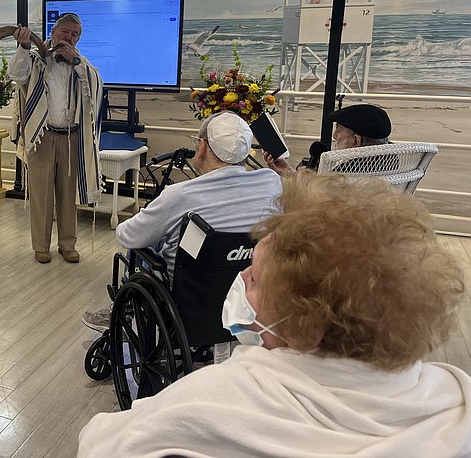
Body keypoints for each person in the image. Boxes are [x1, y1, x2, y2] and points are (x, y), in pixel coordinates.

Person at [78, 173, 471, 457]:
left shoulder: (213, 402)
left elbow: (101, 443)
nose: (242, 276)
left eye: (255, 277)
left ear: (302, 319)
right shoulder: (455, 396)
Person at [83, 111, 281, 330]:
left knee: (140, 246)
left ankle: (123, 311)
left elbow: (128, 235)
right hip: (248, 295)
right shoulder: (272, 183)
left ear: (202, 147)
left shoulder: (180, 195)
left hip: (187, 298)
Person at [10, 13, 103, 264]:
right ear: (53, 32)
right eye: (65, 32)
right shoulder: (36, 59)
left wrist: (76, 63)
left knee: (67, 194)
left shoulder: (80, 63)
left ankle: (67, 244)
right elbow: (17, 76)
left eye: (75, 35)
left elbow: (98, 87)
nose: (69, 37)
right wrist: (24, 47)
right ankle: (41, 246)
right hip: (43, 135)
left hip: (71, 138)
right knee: (41, 194)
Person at [264, 103, 391, 175]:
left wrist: (303, 180)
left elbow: (317, 203)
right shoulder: (389, 161)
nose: (334, 135)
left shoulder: (345, 173)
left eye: (339, 130)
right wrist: (290, 173)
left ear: (356, 141)